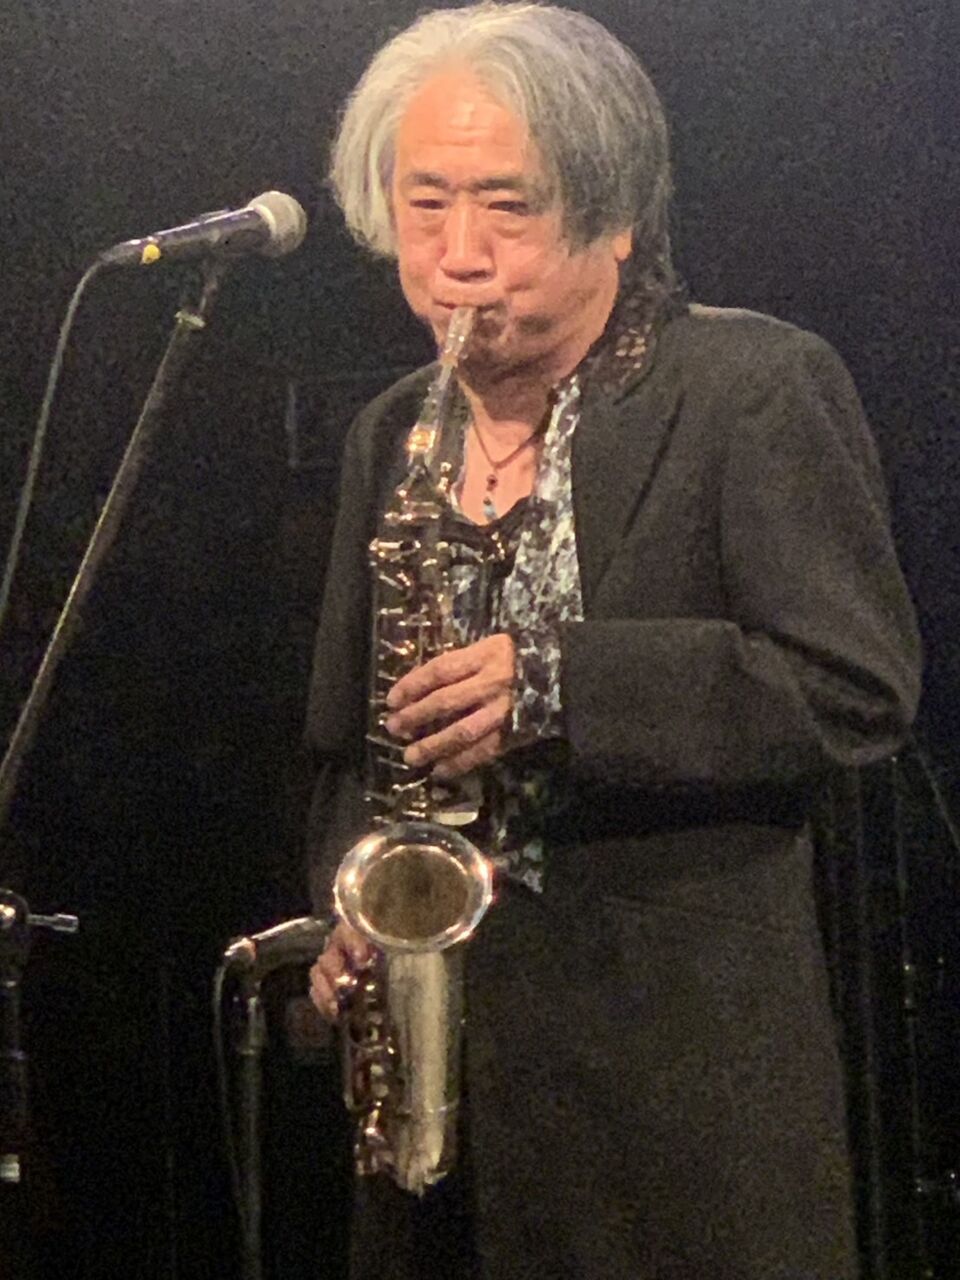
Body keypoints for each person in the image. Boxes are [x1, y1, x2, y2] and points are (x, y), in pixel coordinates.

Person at [304, 4, 921, 1277]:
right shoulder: (390, 432)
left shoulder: (750, 385)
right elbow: (342, 746)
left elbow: (854, 684)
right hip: (447, 1093)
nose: (457, 257)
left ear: (615, 214)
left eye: (507, 208)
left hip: (676, 1096)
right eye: (425, 206)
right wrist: (347, 907)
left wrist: (556, 683)